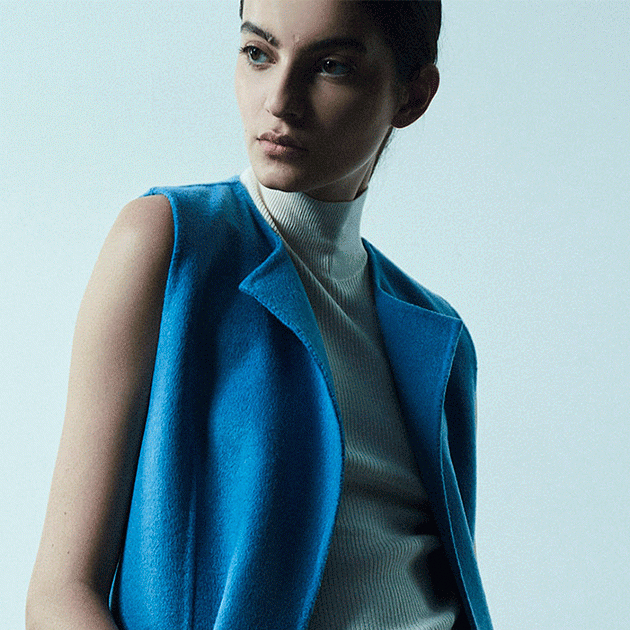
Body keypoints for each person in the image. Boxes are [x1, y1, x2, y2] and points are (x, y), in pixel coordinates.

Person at [26, 1, 493, 629]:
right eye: (258, 54)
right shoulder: (172, 245)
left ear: (413, 96)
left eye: (330, 66)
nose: (279, 100)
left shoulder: (438, 335)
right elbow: (59, 594)